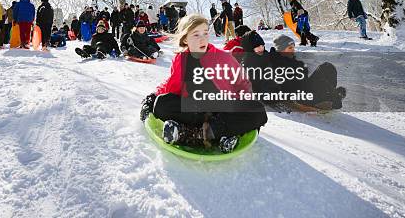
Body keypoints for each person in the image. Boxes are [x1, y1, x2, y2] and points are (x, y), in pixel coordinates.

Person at [139, 14, 267, 153]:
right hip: (195, 110)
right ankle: (218, 135)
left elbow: (242, 83)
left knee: (258, 110)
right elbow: (170, 84)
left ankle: (192, 134)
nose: (202, 39)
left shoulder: (223, 57)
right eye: (196, 34)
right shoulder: (181, 59)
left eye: (205, 33)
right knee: (161, 103)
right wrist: (152, 97)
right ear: (185, 39)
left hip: (220, 111)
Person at [269, 35, 346, 109]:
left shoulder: (289, 59)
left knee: (327, 67)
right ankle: (330, 98)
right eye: (290, 48)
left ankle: (331, 96)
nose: (293, 50)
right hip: (299, 97)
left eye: (293, 48)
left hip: (304, 89)